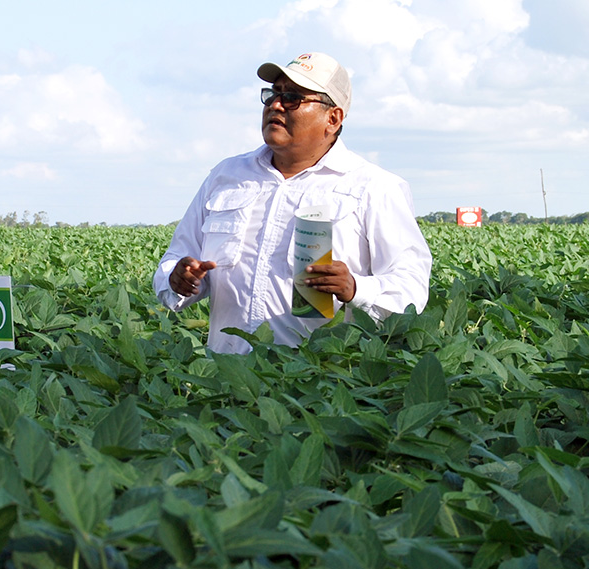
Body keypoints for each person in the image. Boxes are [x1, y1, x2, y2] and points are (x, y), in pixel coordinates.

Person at [153, 52, 432, 354]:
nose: (275, 104)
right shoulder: (227, 176)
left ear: (333, 118)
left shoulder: (373, 188)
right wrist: (179, 278)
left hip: (319, 384)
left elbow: (411, 287)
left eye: (292, 98)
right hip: (228, 379)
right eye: (272, 94)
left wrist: (355, 288)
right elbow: (178, 255)